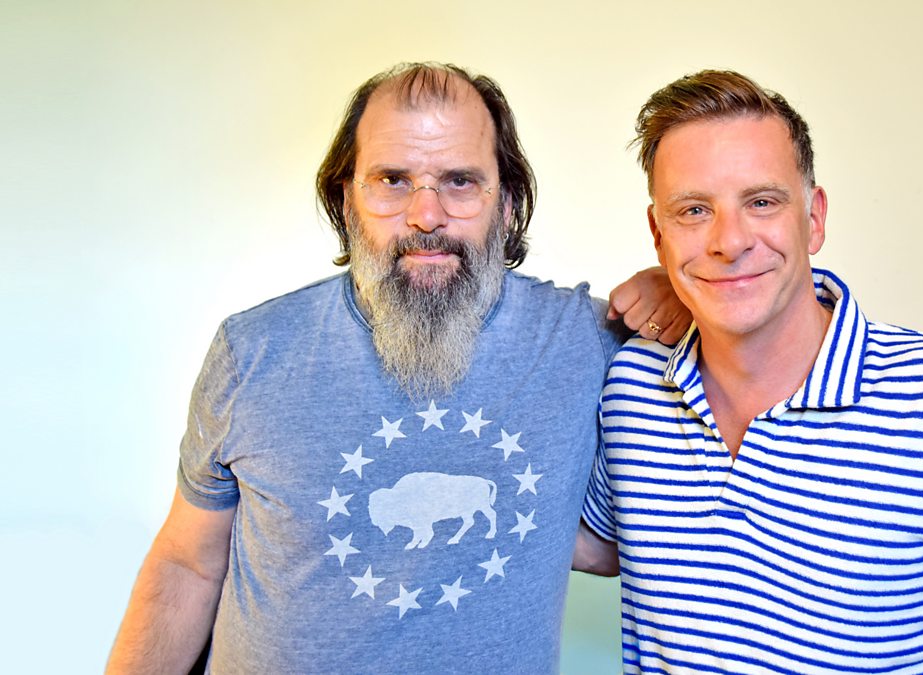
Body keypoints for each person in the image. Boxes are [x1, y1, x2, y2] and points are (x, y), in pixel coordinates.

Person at [106, 62, 689, 674]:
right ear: (346, 200)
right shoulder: (251, 351)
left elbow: (632, 539)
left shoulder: (587, 342)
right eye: (392, 180)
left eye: (460, 181)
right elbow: (189, 564)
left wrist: (686, 291)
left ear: (506, 203)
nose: (426, 215)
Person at [574, 70, 923, 674]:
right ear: (658, 234)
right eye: (694, 211)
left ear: (815, 217)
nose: (729, 241)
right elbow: (595, 544)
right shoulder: (633, 386)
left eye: (761, 202)